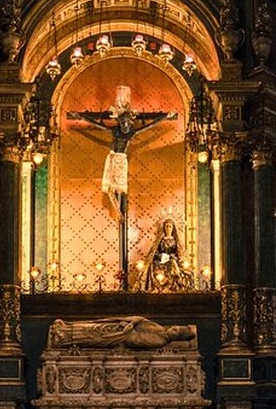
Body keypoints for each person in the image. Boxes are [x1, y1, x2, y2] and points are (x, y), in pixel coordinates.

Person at [67, 85, 177, 222]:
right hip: (112, 158)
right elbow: (98, 125)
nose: (124, 125)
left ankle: (119, 212)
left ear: (130, 122)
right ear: (119, 122)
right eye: (122, 122)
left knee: (120, 189)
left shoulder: (131, 132)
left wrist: (166, 117)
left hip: (121, 161)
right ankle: (118, 212)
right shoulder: (115, 131)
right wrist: (81, 117)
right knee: (110, 189)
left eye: (126, 122)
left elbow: (149, 126)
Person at [48, 316, 195, 350]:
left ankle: (64, 339)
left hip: (119, 336)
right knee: (92, 326)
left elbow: (135, 341)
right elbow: (142, 319)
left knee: (91, 337)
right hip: (121, 327)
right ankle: (64, 328)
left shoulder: (160, 341)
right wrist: (132, 323)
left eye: (175, 332)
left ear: (176, 338)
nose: (172, 329)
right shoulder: (159, 328)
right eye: (174, 328)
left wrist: (128, 330)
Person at [138, 218, 195, 292]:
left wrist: (173, 257)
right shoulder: (160, 241)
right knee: (154, 265)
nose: (168, 228)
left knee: (173, 263)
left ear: (173, 228)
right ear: (164, 228)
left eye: (170, 226)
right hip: (161, 261)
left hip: (172, 260)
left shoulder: (176, 241)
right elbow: (155, 253)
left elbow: (179, 254)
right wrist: (161, 256)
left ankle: (175, 283)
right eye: (166, 226)